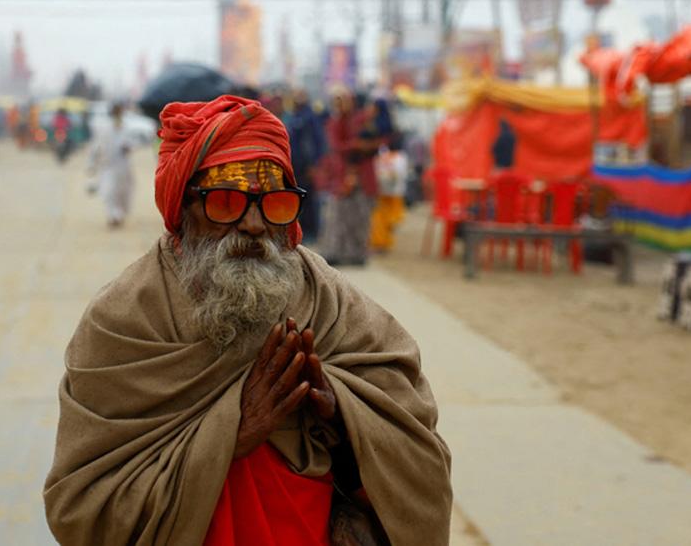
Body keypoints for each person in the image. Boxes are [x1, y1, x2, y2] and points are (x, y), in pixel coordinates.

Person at [44, 95, 451, 546]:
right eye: (225, 202)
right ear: (184, 210)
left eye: (274, 203)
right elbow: (81, 509)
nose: (255, 223)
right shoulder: (124, 319)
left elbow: (419, 452)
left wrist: (342, 413)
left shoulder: (328, 301)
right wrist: (229, 435)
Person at [318, 88, 380, 267]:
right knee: (338, 216)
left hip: (362, 177)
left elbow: (377, 141)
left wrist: (366, 145)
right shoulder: (335, 123)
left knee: (360, 217)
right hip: (342, 176)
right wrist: (356, 145)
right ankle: (335, 251)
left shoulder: (363, 121)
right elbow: (336, 146)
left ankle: (357, 253)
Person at [283, 89, 326, 242]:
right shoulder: (294, 116)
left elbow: (317, 143)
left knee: (308, 199)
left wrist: (313, 165)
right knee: (297, 198)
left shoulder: (309, 118)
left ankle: (311, 232)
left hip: (306, 167)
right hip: (295, 166)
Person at [86, 103, 137, 228]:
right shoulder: (104, 128)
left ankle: (119, 215)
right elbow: (96, 147)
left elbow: (132, 144)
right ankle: (113, 216)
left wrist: (128, 147)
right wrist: (91, 163)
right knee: (108, 192)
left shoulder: (126, 128)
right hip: (107, 166)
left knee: (124, 193)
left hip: (124, 167)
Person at [370, 137, 410, 254]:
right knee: (390, 220)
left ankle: (380, 242)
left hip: (381, 192)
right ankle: (385, 241)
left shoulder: (381, 156)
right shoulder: (401, 157)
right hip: (396, 194)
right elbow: (403, 174)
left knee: (379, 219)